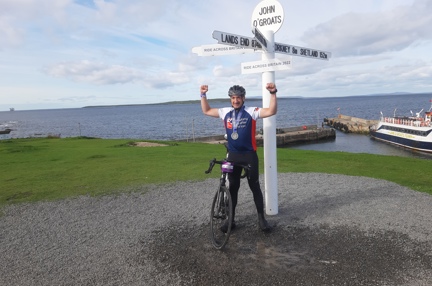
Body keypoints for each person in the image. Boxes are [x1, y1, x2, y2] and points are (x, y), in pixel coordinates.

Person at [200, 83, 278, 232]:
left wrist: (273, 93)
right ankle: (231, 220)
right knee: (233, 188)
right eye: (233, 97)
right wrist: (203, 95)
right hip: (233, 157)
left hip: (249, 156)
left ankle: (262, 220)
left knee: (255, 187)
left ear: (243, 98)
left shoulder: (251, 111)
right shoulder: (225, 112)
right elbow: (207, 110)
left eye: (238, 97)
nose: (236, 100)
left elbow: (271, 110)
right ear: (230, 99)